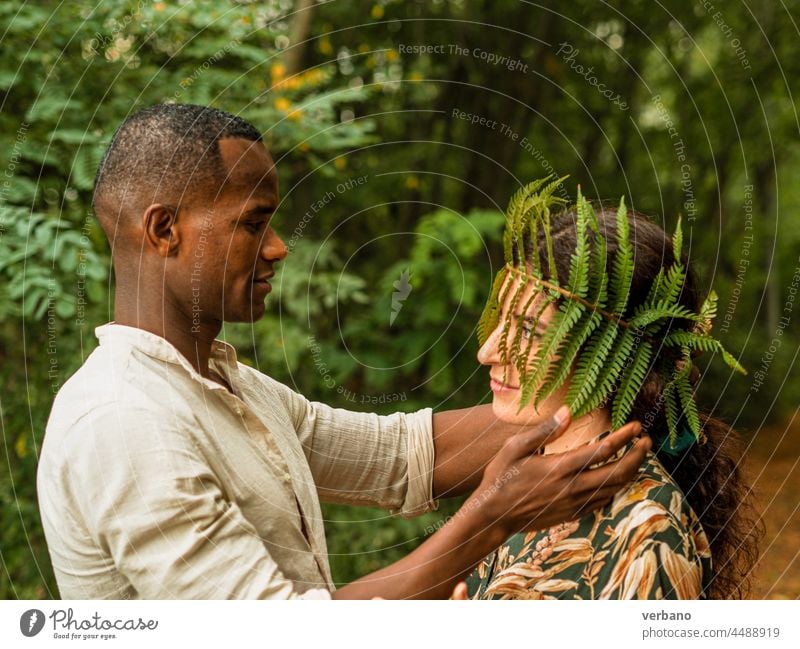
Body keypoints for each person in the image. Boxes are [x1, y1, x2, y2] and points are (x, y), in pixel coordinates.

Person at [36, 105, 650, 600]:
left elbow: (399, 455)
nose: (278, 248)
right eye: (254, 223)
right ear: (164, 230)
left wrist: (610, 372)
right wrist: (493, 519)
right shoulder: (122, 422)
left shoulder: (228, 387)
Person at [466, 180, 762, 599]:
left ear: (609, 354)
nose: (488, 350)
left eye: (529, 330)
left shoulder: (646, 537)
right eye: (501, 319)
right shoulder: (522, 478)